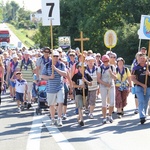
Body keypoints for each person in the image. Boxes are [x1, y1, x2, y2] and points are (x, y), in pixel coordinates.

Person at [41, 50, 67, 126]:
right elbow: (42, 76)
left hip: (59, 86)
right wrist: (49, 77)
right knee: (51, 104)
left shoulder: (62, 65)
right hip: (50, 88)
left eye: (57, 56)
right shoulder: (47, 65)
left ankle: (59, 118)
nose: (55, 58)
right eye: (54, 56)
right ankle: (52, 118)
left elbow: (64, 74)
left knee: (60, 102)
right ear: (51, 57)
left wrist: (55, 69)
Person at [131, 53, 150, 124]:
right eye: (140, 58)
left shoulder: (148, 66)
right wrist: (141, 84)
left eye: (143, 58)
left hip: (148, 87)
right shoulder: (135, 68)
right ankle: (142, 116)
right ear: (138, 59)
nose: (142, 60)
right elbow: (132, 78)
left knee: (146, 101)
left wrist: (149, 73)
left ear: (145, 59)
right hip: (139, 87)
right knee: (141, 101)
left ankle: (143, 114)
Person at [97, 54, 116, 124]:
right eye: (104, 61)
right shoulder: (100, 68)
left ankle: (110, 115)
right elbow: (98, 79)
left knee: (112, 101)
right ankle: (104, 117)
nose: (106, 62)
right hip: (103, 86)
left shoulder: (112, 67)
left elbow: (115, 78)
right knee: (104, 102)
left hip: (111, 85)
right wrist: (105, 84)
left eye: (107, 61)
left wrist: (111, 73)